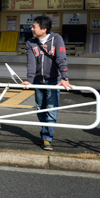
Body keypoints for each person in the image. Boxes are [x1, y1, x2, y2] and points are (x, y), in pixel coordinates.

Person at [22, 16, 73, 151]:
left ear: (44, 29)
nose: (32, 28)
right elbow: (31, 64)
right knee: (40, 109)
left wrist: (65, 77)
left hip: (54, 81)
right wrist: (30, 80)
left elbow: (61, 58)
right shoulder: (30, 43)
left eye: (34, 27)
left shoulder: (56, 39)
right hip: (39, 82)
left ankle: (47, 138)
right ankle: (45, 134)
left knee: (51, 109)